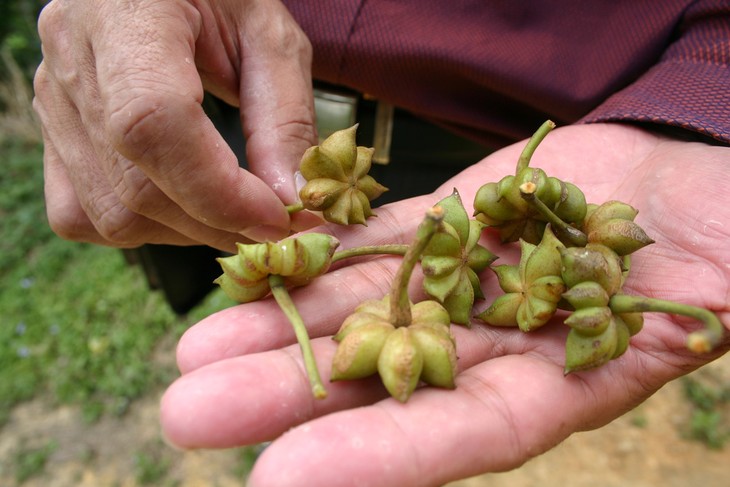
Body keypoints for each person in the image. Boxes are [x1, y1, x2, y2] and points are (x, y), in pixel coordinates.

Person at [33, 1, 730, 486]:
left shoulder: (519, 244)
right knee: (247, 314)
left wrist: (704, 101)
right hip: (220, 101)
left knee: (387, 431)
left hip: (536, 122)